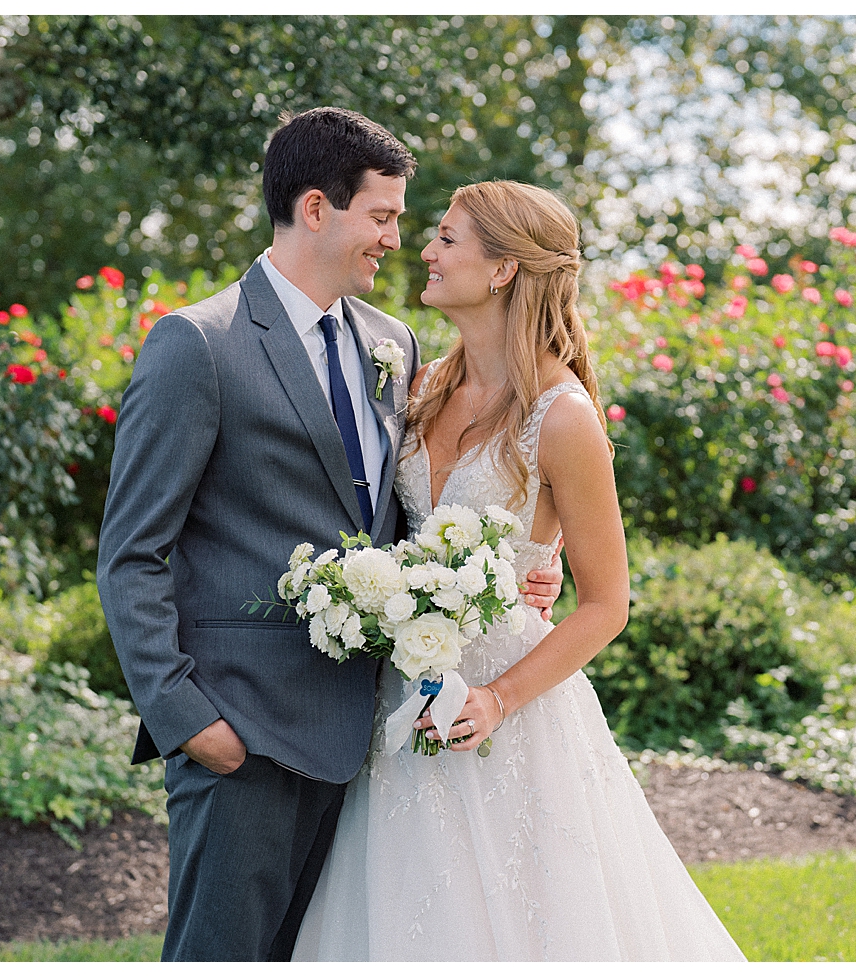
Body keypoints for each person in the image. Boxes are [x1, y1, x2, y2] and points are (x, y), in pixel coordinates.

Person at [95, 109, 561, 962]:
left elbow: (405, 516)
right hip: (242, 733)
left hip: (366, 736)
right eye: (381, 216)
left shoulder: (394, 342)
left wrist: (522, 564)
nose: (397, 240)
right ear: (317, 208)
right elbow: (131, 551)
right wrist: (187, 717)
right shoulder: (197, 344)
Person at [292, 180, 746, 961]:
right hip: (399, 705)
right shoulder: (421, 383)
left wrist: (499, 697)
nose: (422, 250)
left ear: (503, 270)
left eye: (446, 237)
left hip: (512, 715)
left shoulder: (562, 417)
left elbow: (607, 604)